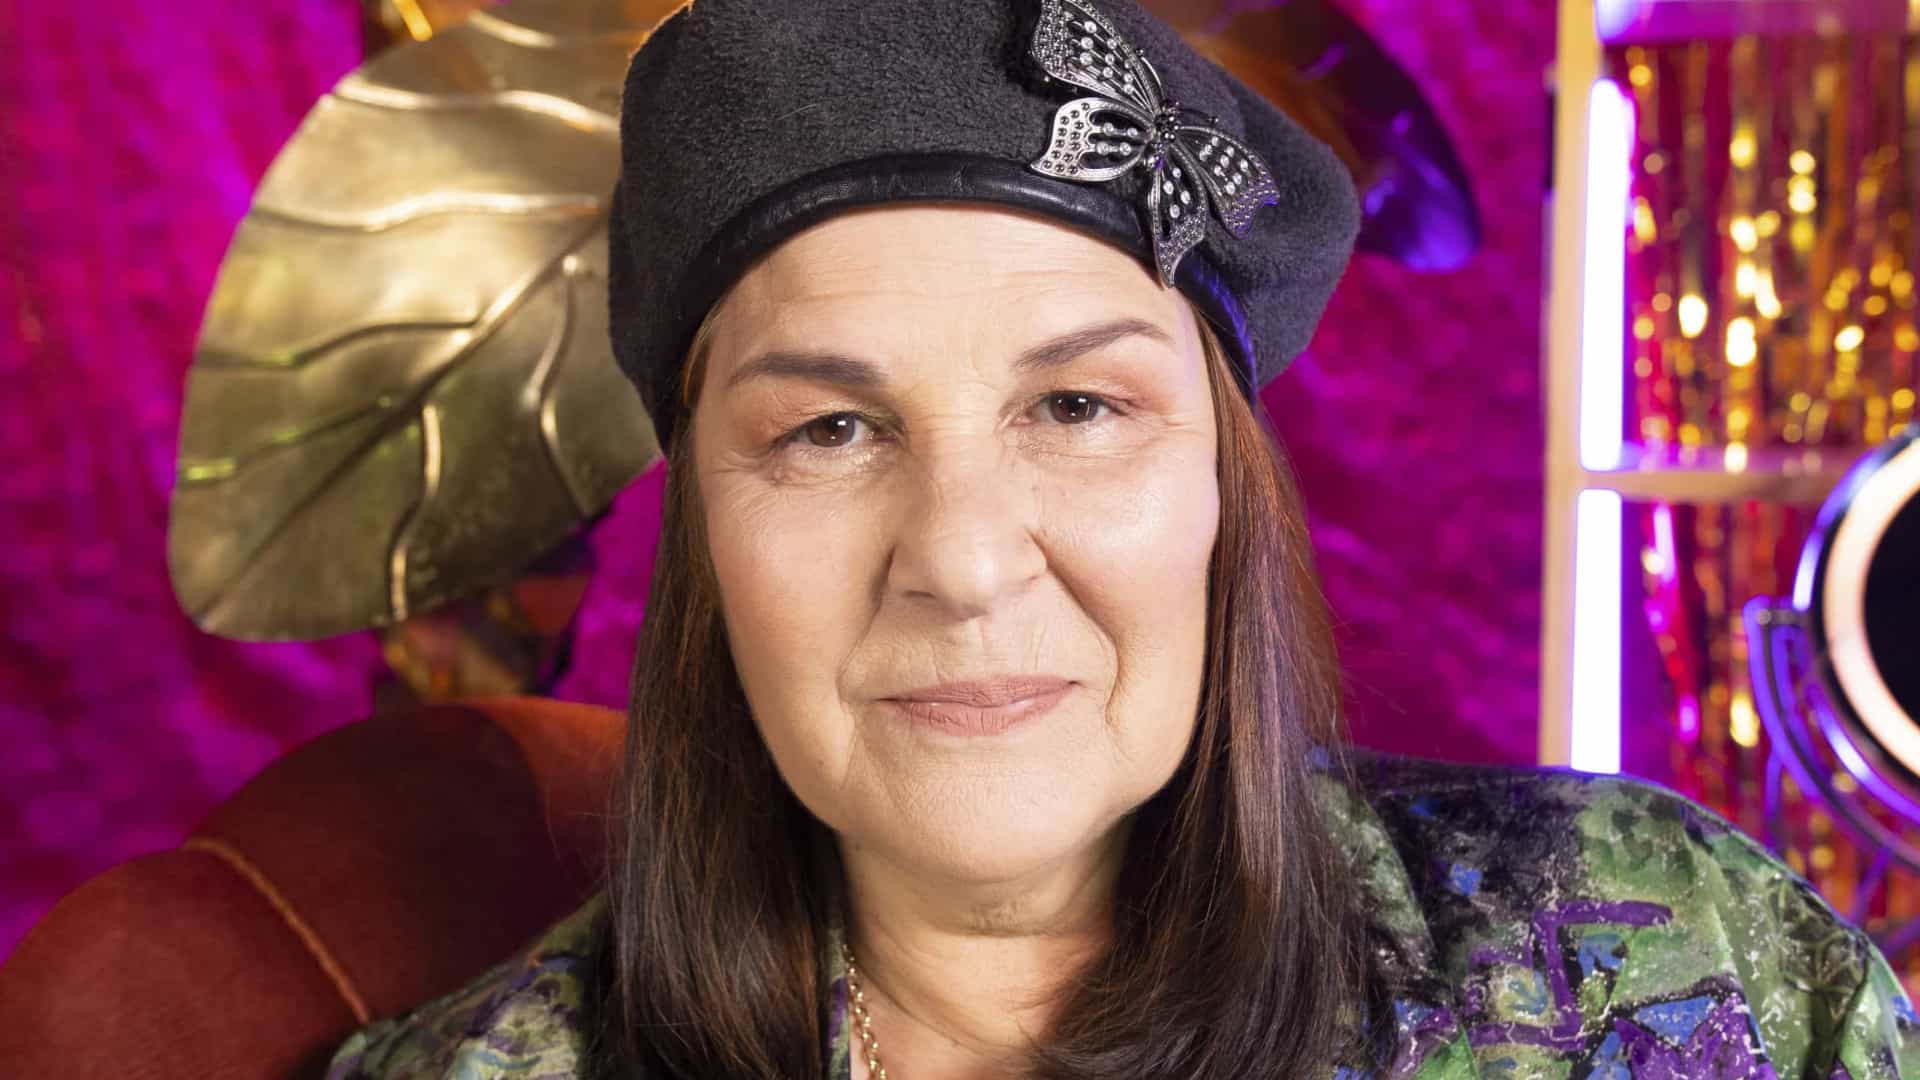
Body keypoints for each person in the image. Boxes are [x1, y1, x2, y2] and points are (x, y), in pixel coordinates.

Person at [326, 1, 1920, 1077]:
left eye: (1077, 407)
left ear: (1229, 490)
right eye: (830, 430)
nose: (963, 560)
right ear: (704, 542)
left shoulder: (1686, 965)